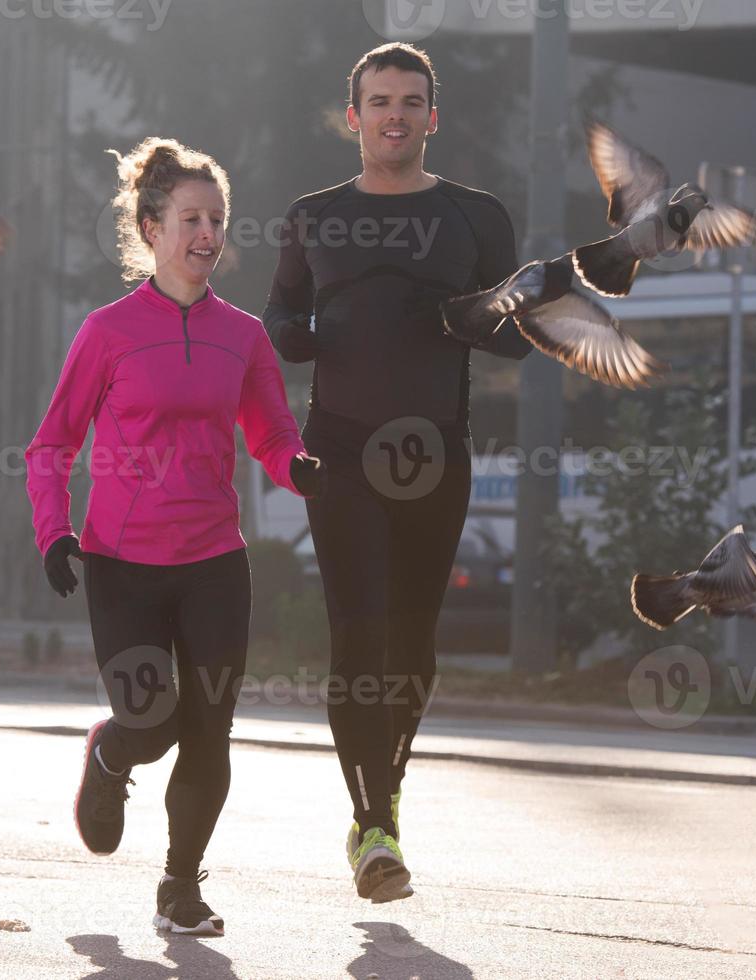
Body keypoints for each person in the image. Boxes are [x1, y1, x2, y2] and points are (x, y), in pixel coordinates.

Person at [26, 137, 325, 937]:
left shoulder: (243, 335)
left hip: (214, 564)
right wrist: (55, 533)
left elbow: (271, 435)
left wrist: (305, 471)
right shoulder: (108, 332)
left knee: (209, 729)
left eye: (218, 219)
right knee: (153, 722)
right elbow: (51, 445)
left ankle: (180, 886)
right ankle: (111, 754)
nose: (208, 233)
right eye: (191, 218)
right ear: (151, 228)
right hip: (123, 564)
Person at [262, 43, 533, 903]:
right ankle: (373, 823)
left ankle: (387, 787)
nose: (395, 115)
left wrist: (457, 320)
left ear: (432, 117)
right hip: (338, 450)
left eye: (411, 102)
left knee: (412, 647)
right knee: (357, 633)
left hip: (433, 451)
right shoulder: (312, 215)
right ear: (354, 117)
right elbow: (278, 310)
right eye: (379, 100)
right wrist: (293, 337)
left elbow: (512, 331)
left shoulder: (477, 216)